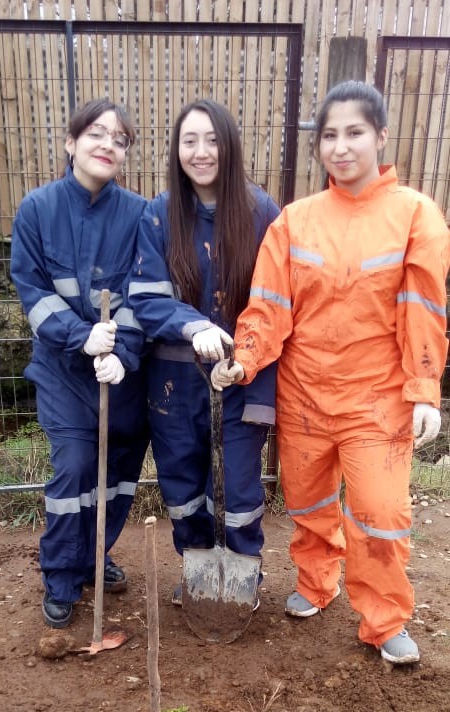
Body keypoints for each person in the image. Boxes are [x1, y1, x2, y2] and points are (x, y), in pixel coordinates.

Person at [212, 80, 450, 664]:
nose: (341, 147)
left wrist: (424, 390)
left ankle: (384, 619)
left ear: (381, 137)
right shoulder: (295, 222)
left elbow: (423, 309)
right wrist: (242, 360)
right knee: (308, 503)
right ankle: (317, 584)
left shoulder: (416, 216)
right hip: (304, 395)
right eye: (330, 136)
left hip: (378, 400)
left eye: (354, 133)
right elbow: (269, 304)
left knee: (379, 513)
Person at [128, 99, 279, 606]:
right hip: (174, 379)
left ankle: (241, 574)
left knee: (237, 482)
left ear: (230, 144)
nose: (201, 151)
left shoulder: (261, 213)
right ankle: (196, 564)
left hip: (244, 371)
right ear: (176, 150)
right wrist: (191, 324)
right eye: (189, 140)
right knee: (182, 477)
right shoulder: (159, 215)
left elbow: (276, 297)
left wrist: (245, 355)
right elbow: (146, 298)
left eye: (212, 139)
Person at [11, 99, 148, 628]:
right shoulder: (38, 210)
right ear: (71, 143)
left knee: (117, 475)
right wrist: (80, 336)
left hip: (120, 376)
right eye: (96, 133)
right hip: (64, 373)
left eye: (119, 139)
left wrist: (125, 353)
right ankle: (63, 577)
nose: (107, 144)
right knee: (74, 468)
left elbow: (147, 293)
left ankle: (96, 554)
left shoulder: (140, 215)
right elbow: (33, 292)